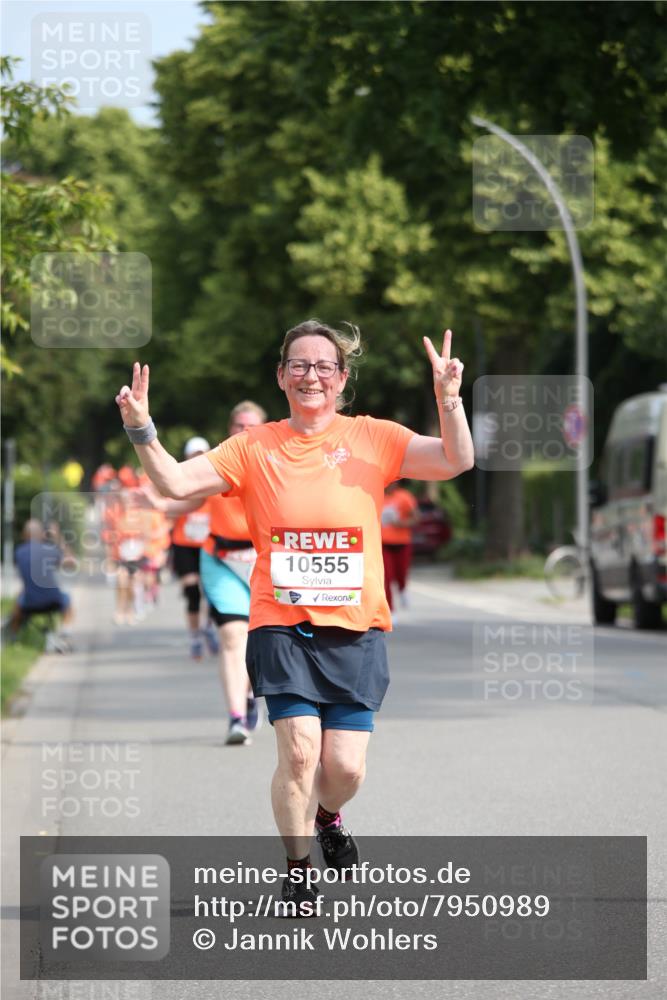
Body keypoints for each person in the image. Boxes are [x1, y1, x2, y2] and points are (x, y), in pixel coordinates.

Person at [115, 319, 474, 914]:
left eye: (324, 367)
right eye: (300, 365)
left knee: (343, 769)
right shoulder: (254, 445)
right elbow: (175, 482)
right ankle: (299, 867)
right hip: (280, 624)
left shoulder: (373, 437)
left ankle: (329, 814)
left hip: (357, 629)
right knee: (301, 753)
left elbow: (456, 459)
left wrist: (448, 398)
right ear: (282, 376)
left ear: (342, 379)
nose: (312, 376)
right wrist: (141, 428)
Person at [143, 404, 267, 743]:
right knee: (232, 637)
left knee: (260, 642)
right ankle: (236, 719)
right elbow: (192, 498)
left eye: (251, 425)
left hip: (264, 561)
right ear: (229, 427)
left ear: (265, 427)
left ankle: (252, 693)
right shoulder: (219, 460)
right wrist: (162, 507)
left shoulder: (278, 460)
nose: (244, 430)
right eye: (238, 424)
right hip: (221, 559)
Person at [169, 437, 219, 660]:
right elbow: (170, 509)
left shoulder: (217, 478)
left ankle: (208, 626)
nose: (198, 458)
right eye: (194, 455)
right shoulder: (181, 480)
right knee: (192, 592)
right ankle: (195, 636)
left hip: (209, 543)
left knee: (211, 593)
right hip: (184, 544)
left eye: (202, 454)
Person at [10, 519, 74, 648]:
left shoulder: (19, 552)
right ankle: (65, 633)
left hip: (29, 603)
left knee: (18, 603)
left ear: (24, 535)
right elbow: (71, 562)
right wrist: (58, 538)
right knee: (67, 599)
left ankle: (14, 639)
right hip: (54, 600)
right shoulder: (48, 550)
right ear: (41, 534)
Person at [381, 479, 420, 611]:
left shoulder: (404, 496)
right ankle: (390, 609)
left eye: (393, 482)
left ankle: (403, 590)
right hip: (383, 544)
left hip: (402, 543)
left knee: (401, 574)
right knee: (386, 577)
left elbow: (416, 518)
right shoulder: (377, 495)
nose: (390, 485)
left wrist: (400, 523)